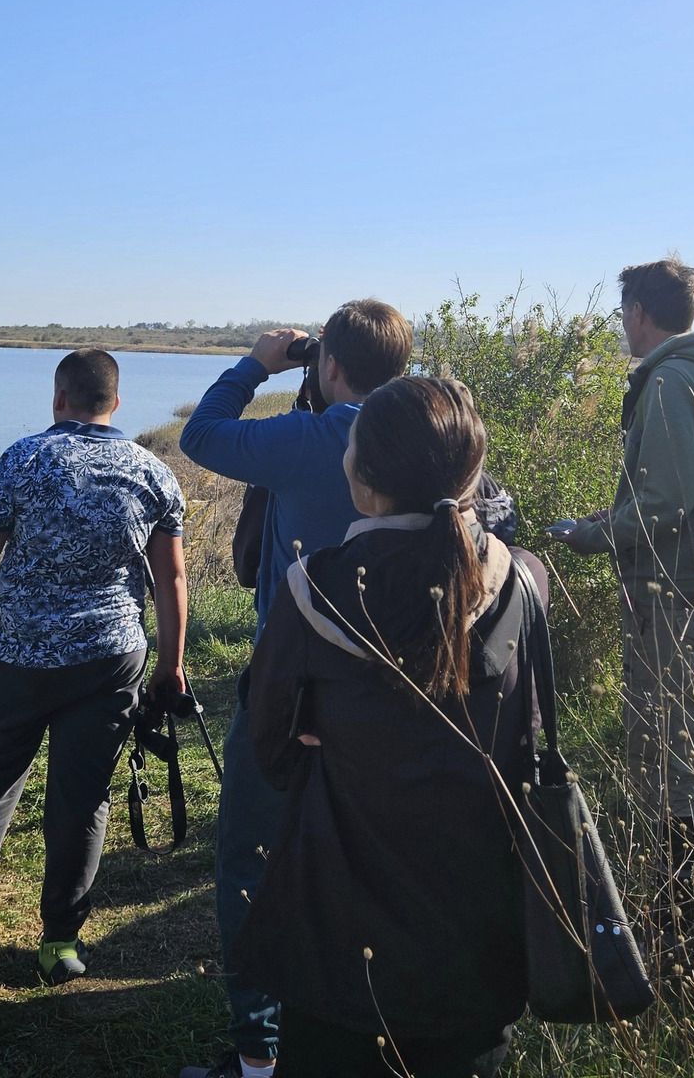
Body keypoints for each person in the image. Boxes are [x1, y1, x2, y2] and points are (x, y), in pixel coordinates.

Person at [232, 376, 543, 1078]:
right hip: (479, 938)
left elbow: (270, 749)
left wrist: (331, 740)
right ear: (473, 474)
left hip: (339, 942)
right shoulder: (524, 581)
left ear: (363, 479)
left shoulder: (312, 589)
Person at [176, 300, 413, 1078]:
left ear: (330, 365)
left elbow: (200, 436)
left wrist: (255, 365)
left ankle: (260, 1053)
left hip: (291, 690)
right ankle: (358, 1037)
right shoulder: (424, 440)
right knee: (362, 862)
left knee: (252, 856)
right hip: (397, 696)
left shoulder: (312, 438)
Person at [0, 350, 188, 983]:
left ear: (59, 398)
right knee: (83, 798)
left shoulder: (25, 459)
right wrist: (171, 665)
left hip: (20, 658)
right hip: (111, 659)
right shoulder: (152, 471)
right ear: (115, 403)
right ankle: (60, 942)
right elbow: (170, 578)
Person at [547, 259, 694, 887]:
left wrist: (591, 535)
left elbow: (665, 503)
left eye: (623, 313)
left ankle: (679, 895)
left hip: (671, 588)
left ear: (638, 311)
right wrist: (616, 518)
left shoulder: (669, 381)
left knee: (669, 734)